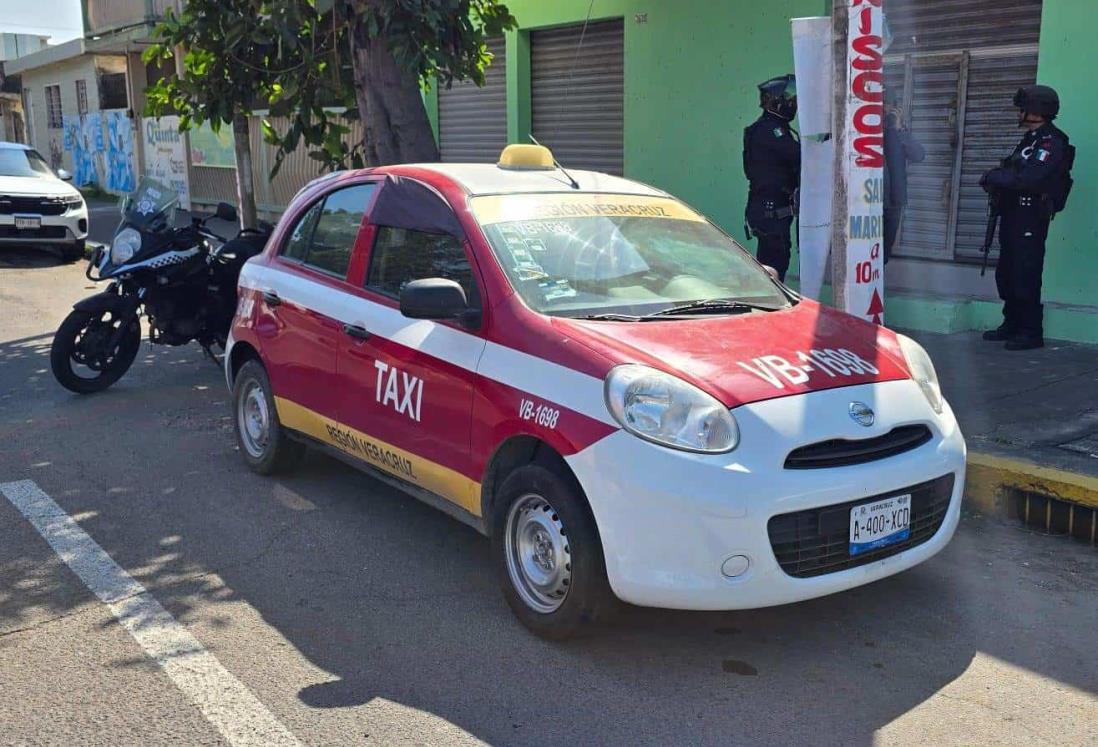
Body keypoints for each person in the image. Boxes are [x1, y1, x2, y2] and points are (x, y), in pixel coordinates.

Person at [980, 84, 1073, 351]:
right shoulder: (1030, 140)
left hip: (1031, 215)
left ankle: (1031, 331)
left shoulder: (1052, 141)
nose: (1018, 113)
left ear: (1035, 111)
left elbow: (1030, 178)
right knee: (1007, 271)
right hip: (1013, 213)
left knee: (1026, 271)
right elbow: (1013, 170)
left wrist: (995, 177)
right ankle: (1011, 323)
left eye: (1022, 108)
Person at [743, 74, 799, 281]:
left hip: (770, 211)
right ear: (778, 101)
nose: (794, 104)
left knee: (775, 263)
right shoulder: (770, 130)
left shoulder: (774, 127)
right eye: (790, 99)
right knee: (773, 269)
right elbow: (797, 155)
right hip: (770, 212)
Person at [882, 93, 925, 263]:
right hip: (869, 202)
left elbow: (919, 155)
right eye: (882, 104)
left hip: (893, 203)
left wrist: (900, 129)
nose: (885, 109)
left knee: (884, 253)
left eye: (889, 105)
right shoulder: (865, 130)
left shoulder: (898, 132)